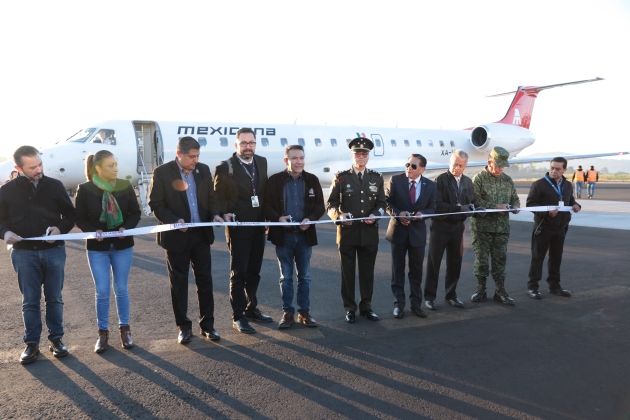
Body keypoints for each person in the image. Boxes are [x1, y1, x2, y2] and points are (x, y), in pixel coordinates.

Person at [0, 145, 76, 364]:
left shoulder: (55, 186)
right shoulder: (6, 191)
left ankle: (57, 340)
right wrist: (5, 233)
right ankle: (31, 344)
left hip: (54, 251)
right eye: (32, 167)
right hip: (23, 254)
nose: (38, 169)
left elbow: (70, 215)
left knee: (55, 299)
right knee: (30, 301)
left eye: (40, 164)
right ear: (18, 167)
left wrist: (60, 229)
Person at [149, 136, 224, 344]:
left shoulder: (203, 170)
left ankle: (208, 325)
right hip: (176, 238)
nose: (195, 160)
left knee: (205, 281)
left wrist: (215, 214)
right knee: (179, 283)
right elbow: (155, 203)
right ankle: (183, 327)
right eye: (191, 157)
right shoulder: (162, 173)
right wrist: (174, 221)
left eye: (198, 156)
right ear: (179, 154)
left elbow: (212, 198)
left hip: (201, 236)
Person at [75, 150, 141, 353]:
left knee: (121, 289)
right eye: (111, 165)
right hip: (98, 248)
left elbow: (135, 212)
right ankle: (102, 334)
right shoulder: (85, 189)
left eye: (116, 164)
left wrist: (125, 227)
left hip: (123, 246)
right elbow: (80, 218)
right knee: (102, 291)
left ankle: (125, 331)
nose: (116, 168)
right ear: (98, 168)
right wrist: (93, 231)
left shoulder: (124, 185)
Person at [214, 128, 272, 334]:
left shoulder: (262, 162)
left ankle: (251, 308)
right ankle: (237, 316)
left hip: (257, 226)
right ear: (236, 145)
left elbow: (262, 193)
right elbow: (217, 196)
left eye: (252, 143)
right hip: (238, 227)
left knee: (254, 272)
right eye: (244, 143)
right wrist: (224, 212)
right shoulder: (225, 167)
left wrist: (266, 218)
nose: (248, 146)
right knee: (238, 273)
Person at [264, 145, 325, 328]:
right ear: (286, 160)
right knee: (286, 277)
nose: (298, 161)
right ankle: (288, 312)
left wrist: (311, 219)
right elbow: (266, 206)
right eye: (294, 158)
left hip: (305, 237)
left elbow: (320, 206)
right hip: (284, 237)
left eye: (301, 158)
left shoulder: (312, 180)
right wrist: (277, 218)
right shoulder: (274, 181)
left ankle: (304, 313)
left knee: (304, 277)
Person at [327, 137, 387, 323]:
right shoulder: (341, 177)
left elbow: (381, 203)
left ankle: (366, 306)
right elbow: (331, 204)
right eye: (357, 153)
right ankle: (350, 308)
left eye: (364, 154)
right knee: (347, 273)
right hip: (347, 234)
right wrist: (339, 216)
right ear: (352, 155)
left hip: (369, 234)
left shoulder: (376, 178)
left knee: (367, 273)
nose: (361, 157)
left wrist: (376, 215)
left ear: (368, 156)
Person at [424, 150, 480, 311]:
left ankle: (451, 295)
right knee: (434, 263)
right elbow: (437, 205)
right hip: (440, 227)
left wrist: (478, 209)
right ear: (450, 162)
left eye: (461, 165)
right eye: (455, 164)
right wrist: (458, 208)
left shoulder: (468, 182)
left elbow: (473, 201)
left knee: (455, 262)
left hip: (457, 228)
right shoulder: (439, 180)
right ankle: (429, 297)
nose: (457, 167)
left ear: (465, 165)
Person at [385, 154, 436, 318]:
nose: (409, 168)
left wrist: (424, 214)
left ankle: (416, 305)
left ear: (422, 169)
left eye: (413, 166)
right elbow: (386, 202)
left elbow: (433, 208)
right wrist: (398, 214)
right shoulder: (395, 180)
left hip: (417, 235)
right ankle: (399, 305)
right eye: (407, 164)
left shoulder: (430, 186)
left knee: (416, 272)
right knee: (397, 272)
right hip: (398, 232)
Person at [470, 146, 520, 305]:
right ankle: (481, 289)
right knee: (482, 261)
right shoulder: (479, 179)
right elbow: (474, 202)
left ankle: (500, 291)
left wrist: (515, 206)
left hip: (502, 229)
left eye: (502, 166)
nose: (500, 169)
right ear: (489, 162)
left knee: (500, 260)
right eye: (497, 165)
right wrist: (495, 206)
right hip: (482, 228)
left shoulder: (507, 180)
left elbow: (515, 198)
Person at [526, 158, 581, 299]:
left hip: (560, 227)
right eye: (552, 168)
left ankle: (554, 286)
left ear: (564, 170)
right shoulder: (539, 185)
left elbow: (570, 200)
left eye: (557, 169)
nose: (554, 171)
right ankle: (533, 287)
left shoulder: (567, 185)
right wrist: (546, 213)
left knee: (556, 257)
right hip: (543, 227)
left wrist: (577, 206)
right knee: (538, 258)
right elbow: (531, 204)